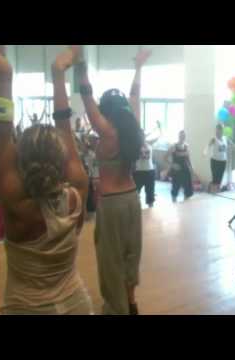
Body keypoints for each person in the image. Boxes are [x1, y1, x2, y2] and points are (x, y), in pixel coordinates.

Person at [0, 45, 93, 315]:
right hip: (76, 304)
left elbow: (1, 131)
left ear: (21, 163)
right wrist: (58, 75)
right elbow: (64, 126)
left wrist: (5, 75)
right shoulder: (78, 191)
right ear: (62, 159)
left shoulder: (15, 202)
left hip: (27, 308)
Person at [75, 46, 149, 315]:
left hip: (112, 203)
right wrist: (139, 67)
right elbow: (136, 95)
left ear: (107, 110)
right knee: (131, 254)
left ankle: (115, 310)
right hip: (132, 198)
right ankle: (130, 303)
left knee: (111, 260)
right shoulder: (134, 127)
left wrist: (81, 66)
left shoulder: (106, 131)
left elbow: (86, 97)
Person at [207, 123, 235, 193]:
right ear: (216, 130)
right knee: (215, 178)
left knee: (219, 178)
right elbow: (208, 146)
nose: (219, 131)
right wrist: (205, 151)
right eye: (218, 129)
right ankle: (211, 190)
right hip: (215, 161)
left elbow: (232, 144)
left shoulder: (225, 138)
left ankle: (216, 191)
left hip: (223, 161)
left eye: (221, 130)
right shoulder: (214, 139)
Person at [133, 122, 161, 208]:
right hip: (138, 172)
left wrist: (159, 128)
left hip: (150, 171)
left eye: (143, 134)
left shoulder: (149, 143)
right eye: (140, 134)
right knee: (135, 192)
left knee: (150, 192)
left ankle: (150, 208)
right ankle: (135, 210)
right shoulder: (135, 145)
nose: (142, 136)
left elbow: (158, 137)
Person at [166, 130, 194, 202]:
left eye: (184, 136)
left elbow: (188, 159)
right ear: (178, 136)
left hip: (186, 171)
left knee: (188, 190)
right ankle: (174, 205)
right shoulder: (173, 146)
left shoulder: (186, 146)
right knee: (175, 190)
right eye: (181, 135)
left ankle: (185, 206)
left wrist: (191, 168)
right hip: (177, 172)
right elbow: (165, 157)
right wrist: (172, 165)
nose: (182, 137)